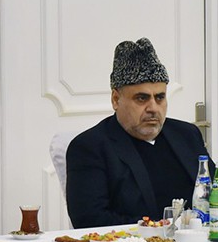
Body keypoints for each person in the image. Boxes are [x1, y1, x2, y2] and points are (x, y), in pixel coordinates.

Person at [66, 38, 214, 228]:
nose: (153, 108)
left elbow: (214, 194)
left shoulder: (186, 134)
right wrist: (157, 231)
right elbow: (90, 221)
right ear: (116, 99)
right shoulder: (90, 147)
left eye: (159, 97)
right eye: (142, 98)